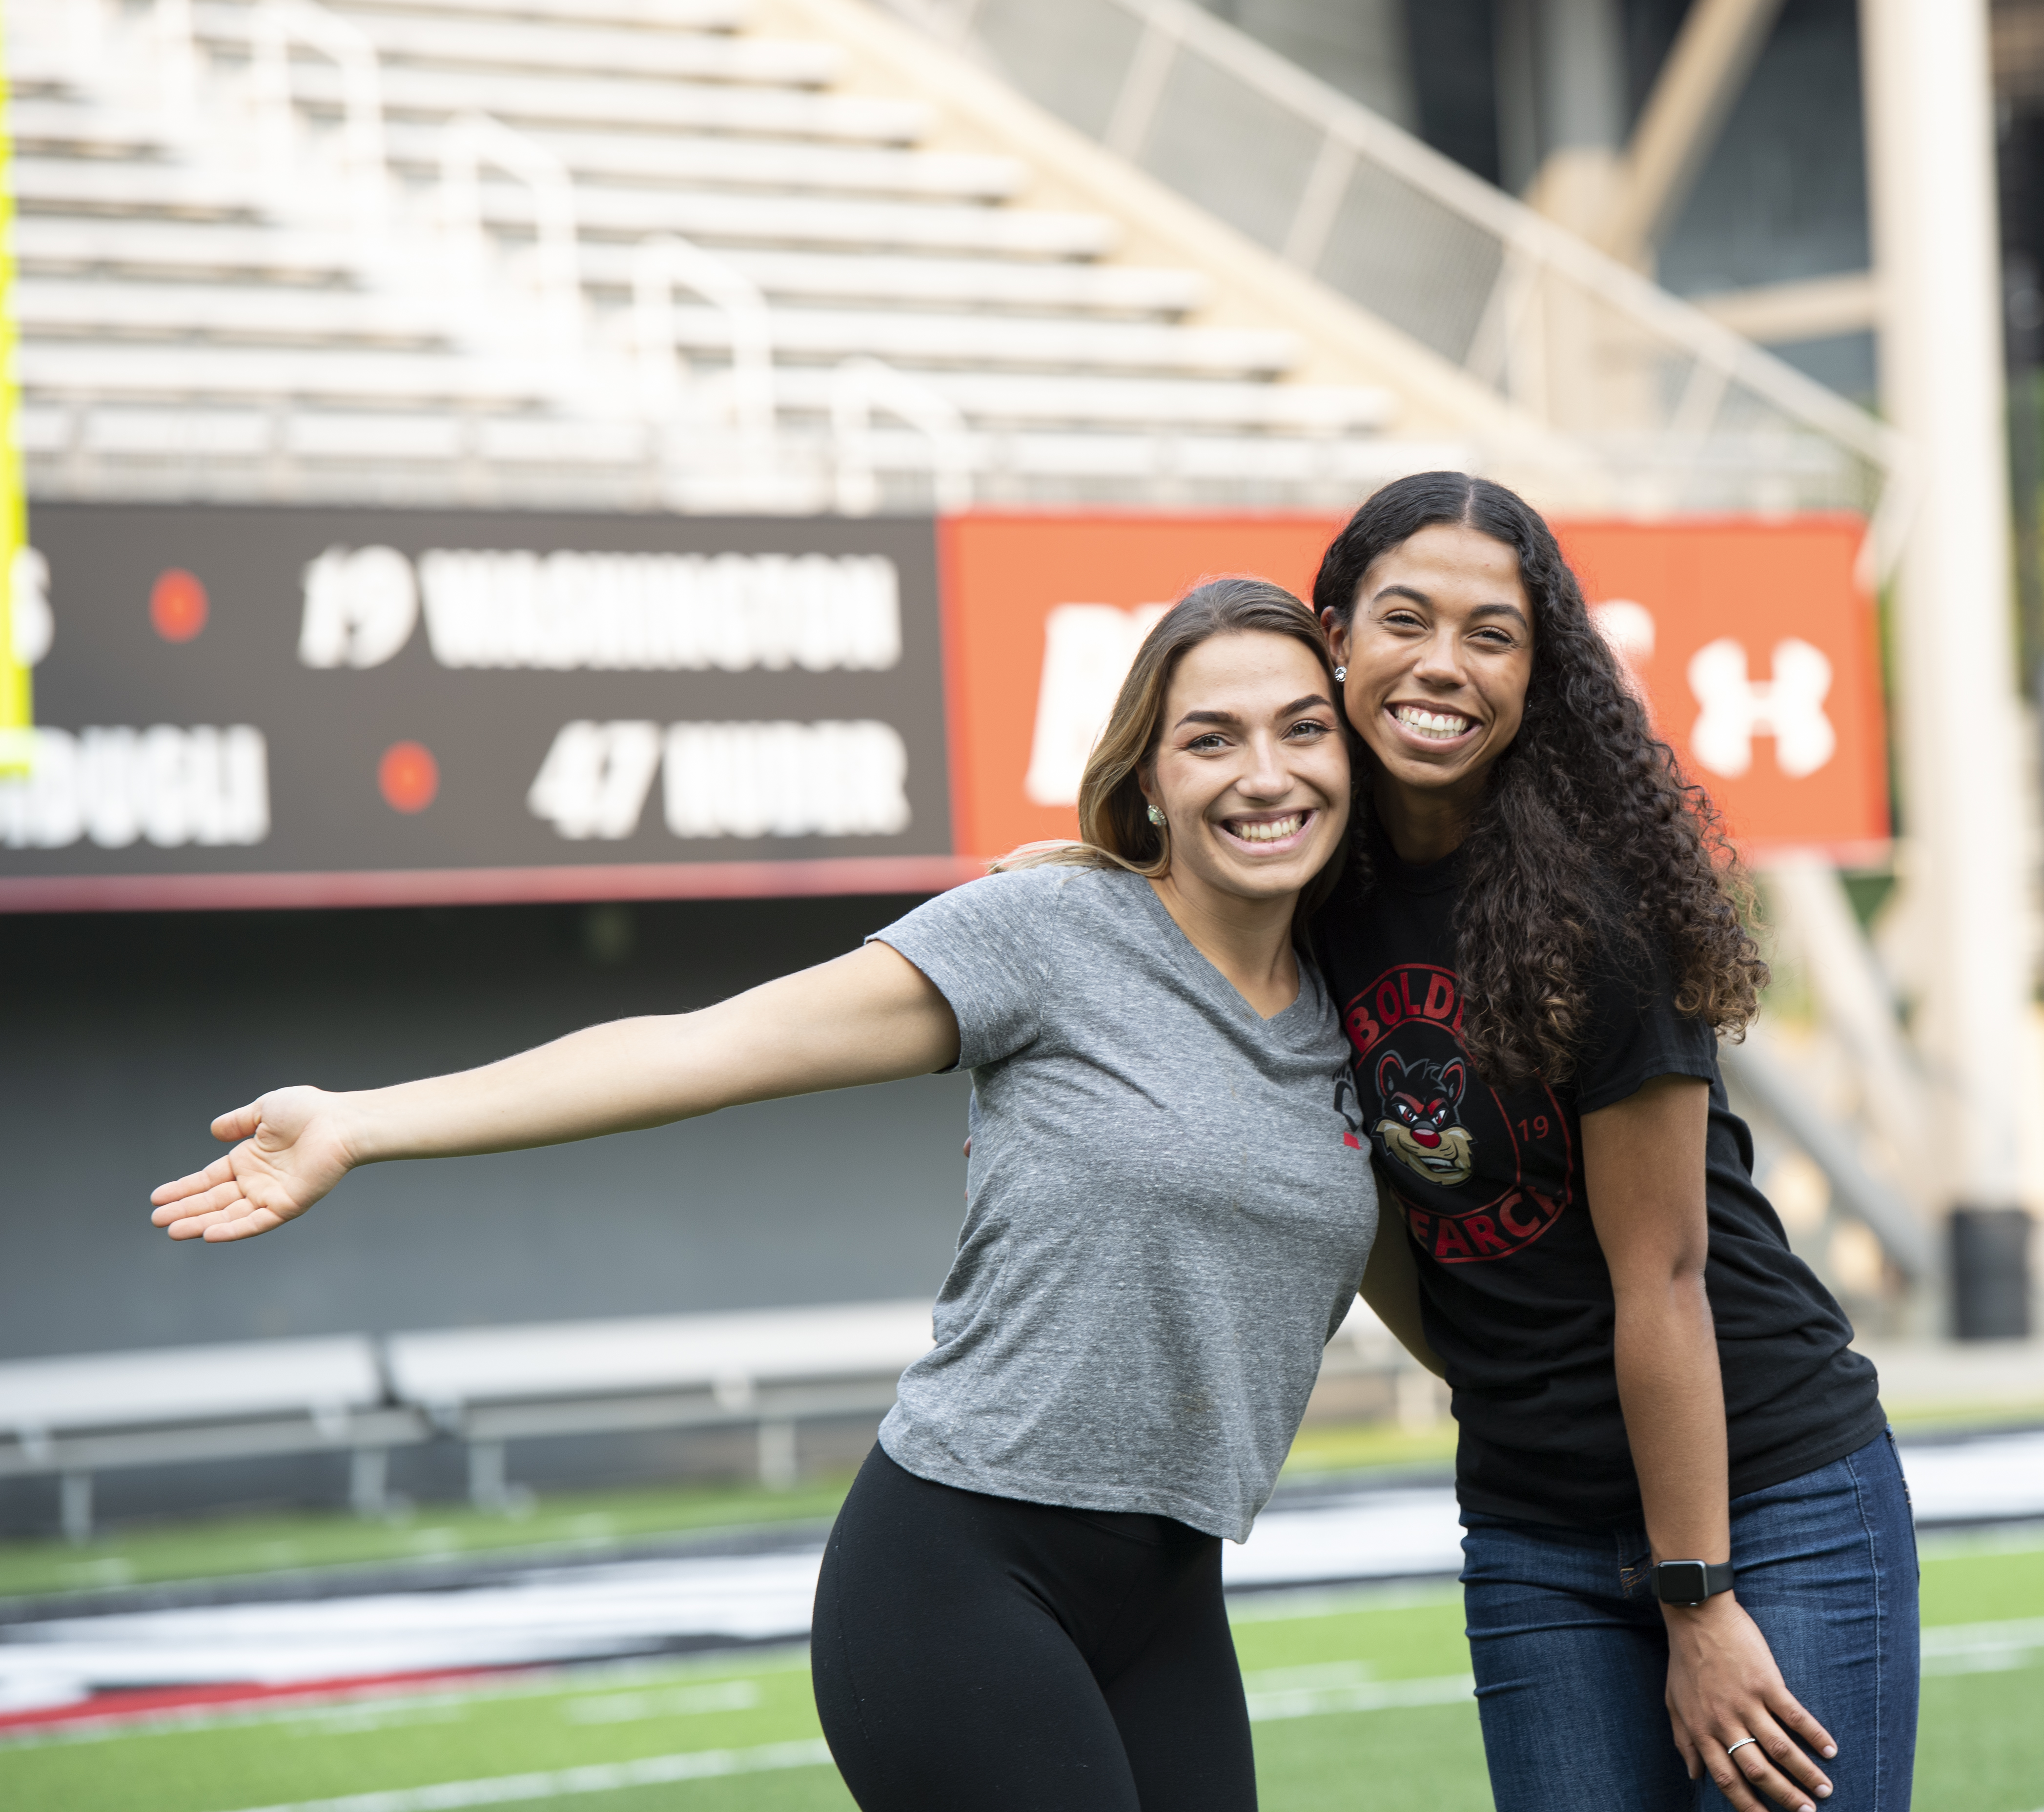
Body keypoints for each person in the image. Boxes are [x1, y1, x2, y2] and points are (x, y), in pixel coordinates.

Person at [147, 578, 1393, 1812]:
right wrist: (362, 1123)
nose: (1266, 773)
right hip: (961, 1581)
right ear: (1150, 782)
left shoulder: (1361, 1019)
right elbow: (702, 1047)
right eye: (1210, 738)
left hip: (1176, 1590)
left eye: (1301, 728)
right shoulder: (1055, 931)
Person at [1309, 473, 1919, 1812]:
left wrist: (1699, 1602)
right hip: (1533, 1524)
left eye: (1493, 636)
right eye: (1405, 619)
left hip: (1764, 1500)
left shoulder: (1597, 910)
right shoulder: (1305, 894)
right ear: (1338, 634)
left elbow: (1666, 1280)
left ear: (1539, 676)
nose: (1443, 667)